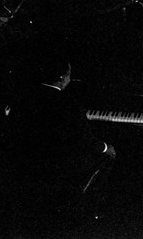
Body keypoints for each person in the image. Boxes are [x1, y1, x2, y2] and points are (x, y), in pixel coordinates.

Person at [7, 50, 116, 223]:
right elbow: (86, 140)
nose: (70, 78)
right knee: (107, 156)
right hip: (60, 164)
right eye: (69, 74)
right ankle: (86, 207)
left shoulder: (23, 98)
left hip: (28, 159)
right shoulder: (69, 104)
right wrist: (105, 147)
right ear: (61, 77)